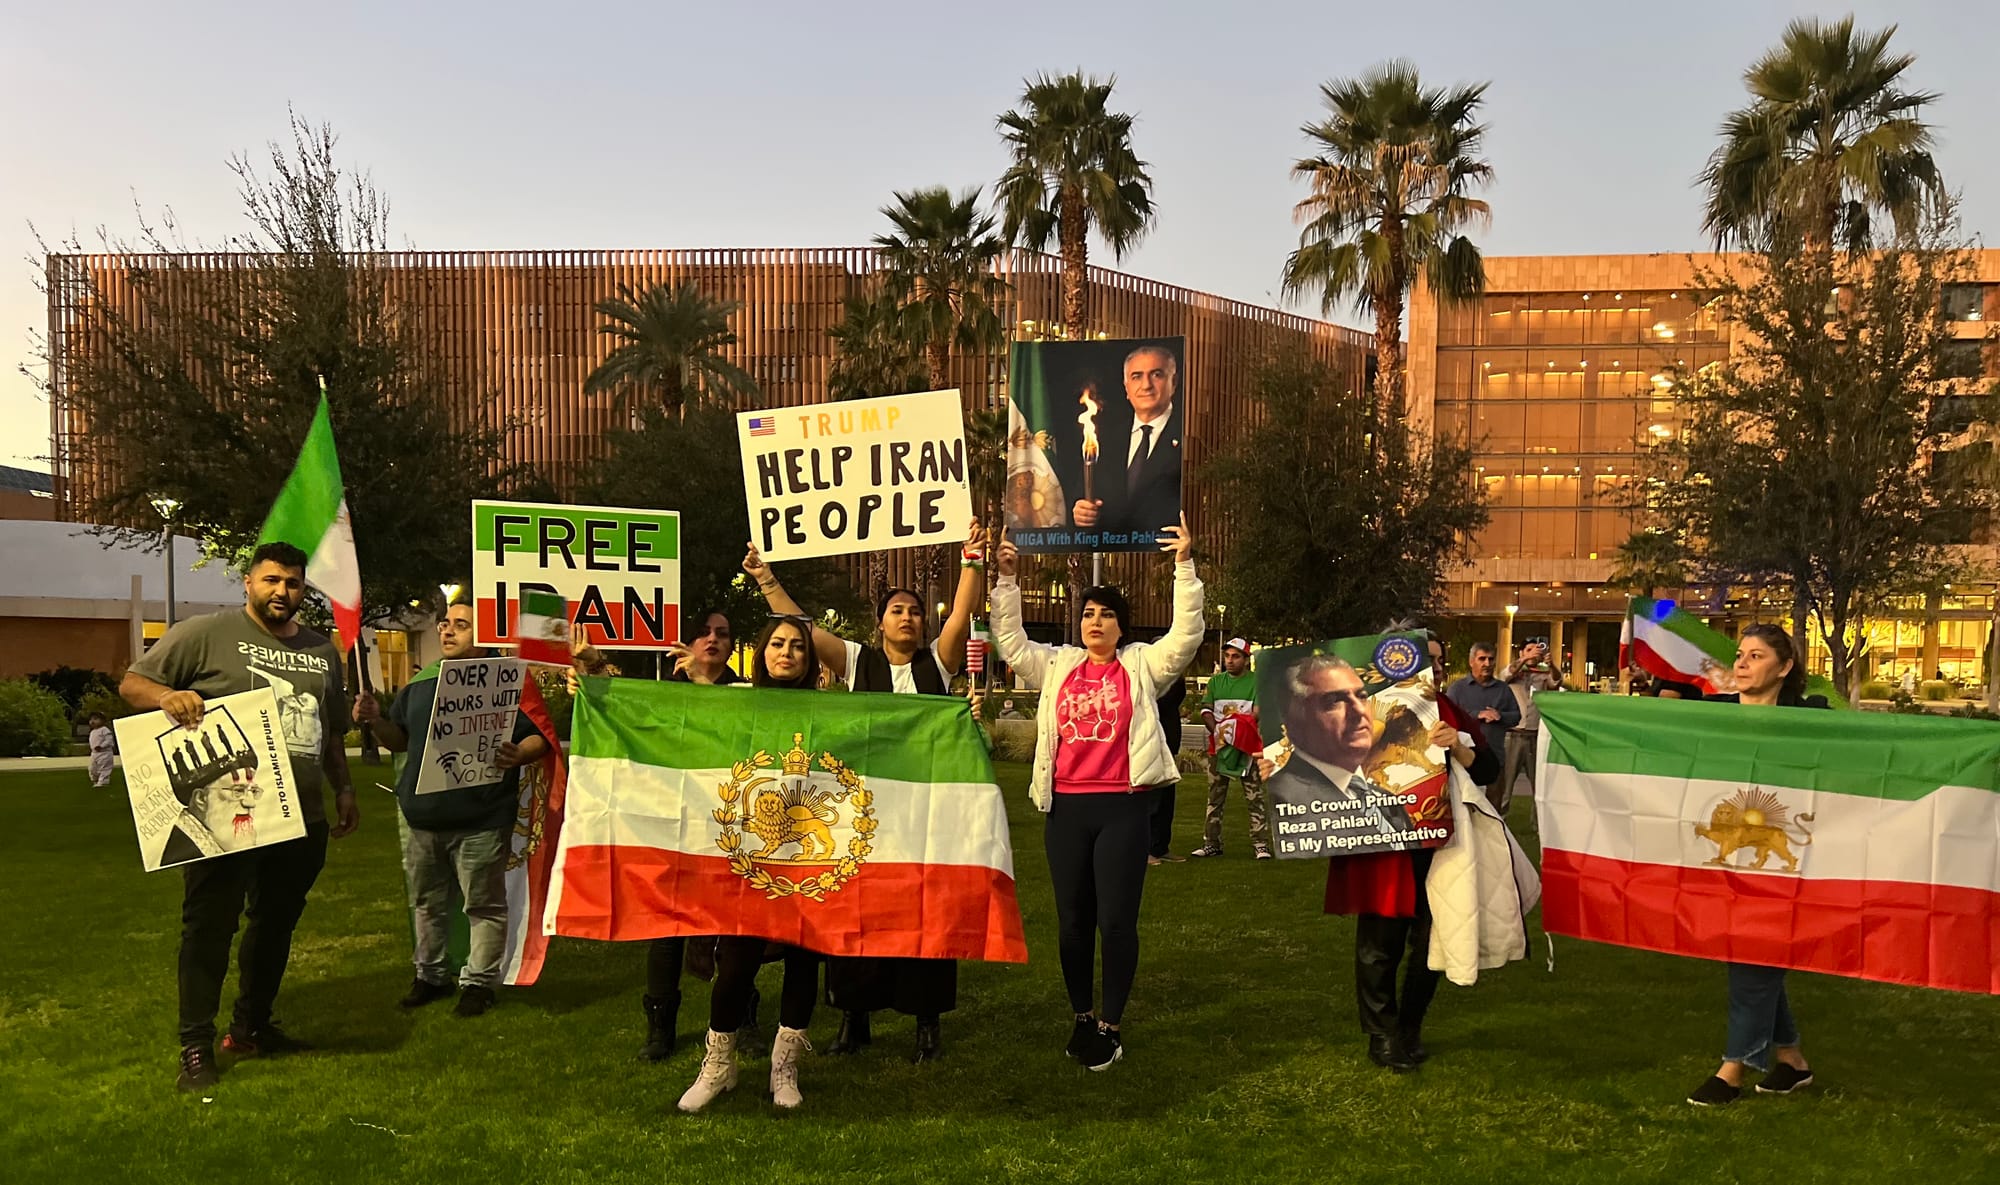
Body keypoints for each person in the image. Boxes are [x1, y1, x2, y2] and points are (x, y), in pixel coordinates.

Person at [119, 542, 359, 1093]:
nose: (282, 591)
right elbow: (133, 683)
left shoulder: (322, 651)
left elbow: (330, 732)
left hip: (302, 818)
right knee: (209, 927)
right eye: (271, 580)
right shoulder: (205, 633)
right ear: (248, 582)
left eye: (293, 583)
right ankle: (195, 1045)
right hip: (228, 816)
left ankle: (252, 1027)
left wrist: (344, 789)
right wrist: (168, 696)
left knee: (275, 925)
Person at [743, 522, 987, 1064]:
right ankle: (854, 1018)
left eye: (915, 612)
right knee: (857, 914)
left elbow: (962, 612)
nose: (908, 617)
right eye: (897, 610)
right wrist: (765, 579)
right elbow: (802, 626)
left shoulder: (938, 664)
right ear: (880, 623)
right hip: (864, 819)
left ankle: (926, 1023)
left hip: (924, 817)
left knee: (926, 917)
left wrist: (972, 560)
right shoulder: (857, 662)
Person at [990, 515, 1203, 1071]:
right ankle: (1082, 1016)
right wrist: (1007, 580)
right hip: (1066, 808)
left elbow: (1185, 637)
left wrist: (1184, 567)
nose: (1096, 621)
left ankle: (1111, 1026)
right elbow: (1010, 643)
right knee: (1072, 923)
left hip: (1122, 809)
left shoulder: (1141, 666)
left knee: (1116, 922)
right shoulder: (1058, 666)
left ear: (1121, 627)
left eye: (1107, 614)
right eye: (1088, 613)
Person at [356, 595, 553, 1019]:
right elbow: (399, 740)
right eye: (445, 623)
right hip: (423, 820)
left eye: (461, 625)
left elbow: (539, 736)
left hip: (482, 819)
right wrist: (376, 720)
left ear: (485, 636)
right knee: (426, 903)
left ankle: (478, 984)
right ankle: (430, 976)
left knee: (483, 905)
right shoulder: (421, 683)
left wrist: (519, 753)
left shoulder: (506, 682)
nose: (447, 630)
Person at [678, 615, 828, 1113]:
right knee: (737, 962)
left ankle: (785, 1067)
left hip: (809, 863)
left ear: (809, 658)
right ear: (762, 651)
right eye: (778, 643)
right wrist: (594, 678)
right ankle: (719, 1065)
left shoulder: (830, 710)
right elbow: (699, 726)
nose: (787, 653)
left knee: (804, 961)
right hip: (749, 857)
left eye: (798, 646)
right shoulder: (739, 701)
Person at [1686, 623, 1828, 1107]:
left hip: (1786, 857)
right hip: (1726, 857)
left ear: (1784, 667)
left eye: (1756, 655)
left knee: (1754, 946)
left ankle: (1732, 1069)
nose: (1742, 663)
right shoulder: (1713, 715)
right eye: (1740, 655)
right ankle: (1792, 1060)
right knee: (1747, 947)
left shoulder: (1812, 719)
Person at [1069, 345, 1183, 539]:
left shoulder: (1189, 435)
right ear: (1126, 387)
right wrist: (1081, 512)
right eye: (1136, 377)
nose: (1146, 385)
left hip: (1166, 552)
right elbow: (1083, 496)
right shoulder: (1103, 439)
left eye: (1156, 375)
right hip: (1110, 550)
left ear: (1174, 382)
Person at [1191, 638, 1268, 859]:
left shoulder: (1257, 682)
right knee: (1215, 797)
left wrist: (1234, 731)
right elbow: (1206, 709)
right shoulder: (1216, 682)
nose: (1230, 661)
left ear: (1246, 659)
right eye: (1227, 656)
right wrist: (1218, 730)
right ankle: (1211, 843)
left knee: (1254, 797)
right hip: (1219, 749)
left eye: (1235, 656)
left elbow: (1257, 713)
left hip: (1247, 749)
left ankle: (1260, 845)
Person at [1444, 642, 1519, 812]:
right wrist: (1477, 714)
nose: (1487, 663)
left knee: (1493, 810)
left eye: (1491, 659)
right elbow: (1446, 718)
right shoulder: (1457, 689)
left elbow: (1516, 717)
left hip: (1495, 760)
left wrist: (1500, 716)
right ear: (1471, 662)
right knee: (1463, 811)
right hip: (1463, 762)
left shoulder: (1503, 689)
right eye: (1482, 659)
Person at [1498, 638, 1563, 813]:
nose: (1533, 653)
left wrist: (1552, 665)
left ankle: (1538, 824)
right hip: (1514, 734)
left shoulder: (1543, 672)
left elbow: (1556, 683)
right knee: (1506, 786)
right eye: (1529, 649)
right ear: (1521, 652)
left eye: (1536, 649)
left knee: (1538, 786)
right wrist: (1525, 659)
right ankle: (1501, 821)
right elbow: (1504, 676)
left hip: (1535, 735)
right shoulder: (1514, 669)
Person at [1146, 677, 1187, 867]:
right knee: (1151, 799)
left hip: (1170, 740)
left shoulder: (1173, 676)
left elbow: (1178, 694)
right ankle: (1146, 849)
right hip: (1152, 741)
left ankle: (1161, 847)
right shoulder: (1148, 673)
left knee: (1166, 799)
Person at [87, 712, 116, 787]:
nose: (92, 721)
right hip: (94, 753)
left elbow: (109, 740)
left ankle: (103, 781)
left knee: (104, 767)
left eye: (95, 719)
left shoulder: (104, 730)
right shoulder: (93, 732)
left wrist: (101, 746)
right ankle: (95, 779)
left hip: (105, 753)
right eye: (91, 719)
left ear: (102, 721)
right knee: (92, 768)